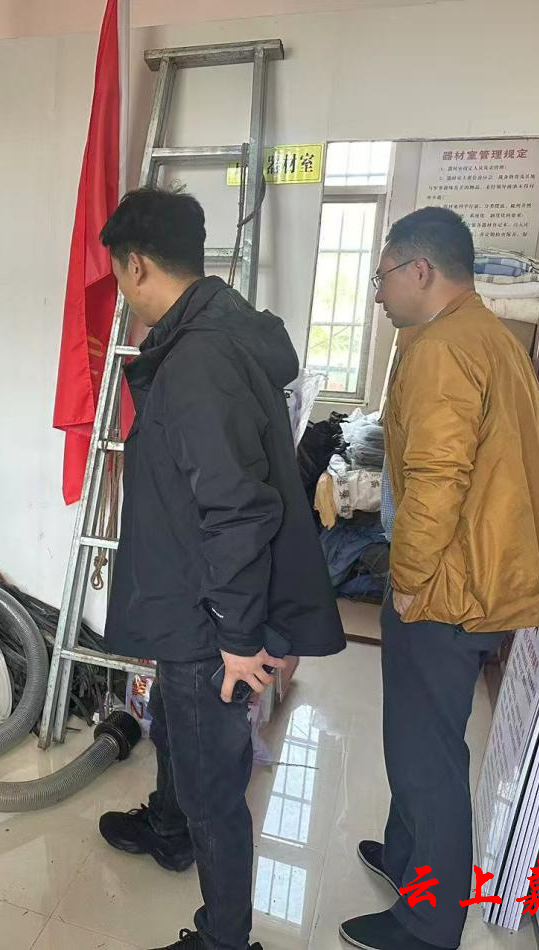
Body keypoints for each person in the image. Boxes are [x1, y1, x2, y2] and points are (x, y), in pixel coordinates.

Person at [95, 187, 346, 950]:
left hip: (210, 615)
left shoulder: (198, 361)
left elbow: (237, 508)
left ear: (138, 265)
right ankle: (169, 827)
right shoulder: (216, 327)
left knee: (214, 783)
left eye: (118, 274)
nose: (120, 290)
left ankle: (225, 936)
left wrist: (238, 636)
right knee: (175, 728)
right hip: (188, 596)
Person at [341, 207, 539, 950]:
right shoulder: (482, 333)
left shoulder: (444, 349)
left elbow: (436, 480)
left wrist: (410, 579)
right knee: (421, 739)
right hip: (473, 579)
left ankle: (428, 923)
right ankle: (409, 861)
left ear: (420, 271)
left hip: (447, 589)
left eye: (383, 275)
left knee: (429, 757)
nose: (377, 293)